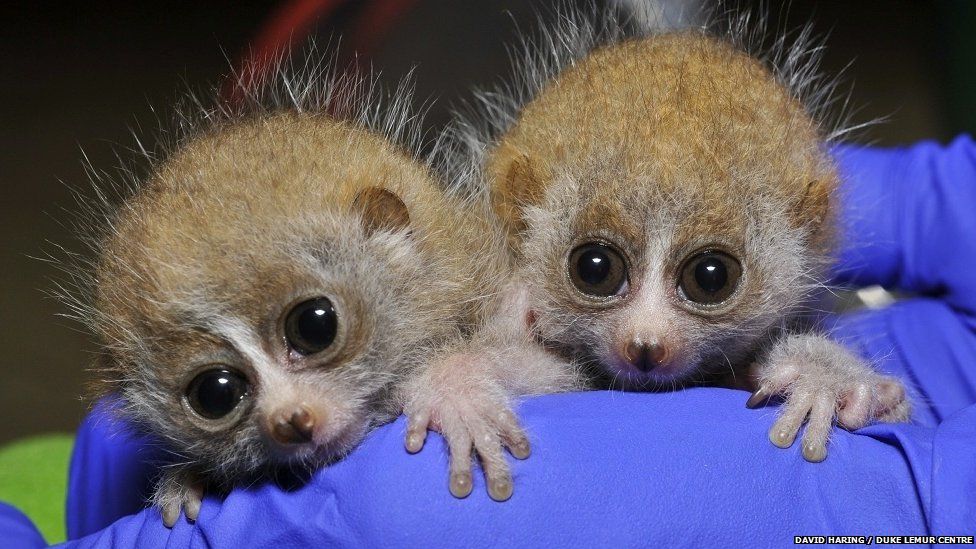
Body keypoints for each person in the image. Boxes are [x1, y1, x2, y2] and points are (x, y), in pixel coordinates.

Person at [22, 138, 976, 547]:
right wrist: (211, 466)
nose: (285, 407)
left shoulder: (476, 288)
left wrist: (915, 510)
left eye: (314, 331)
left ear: (393, 243)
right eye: (216, 388)